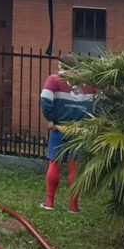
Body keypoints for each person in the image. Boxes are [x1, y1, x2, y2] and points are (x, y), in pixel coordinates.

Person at [39, 54, 96, 212]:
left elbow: (45, 100)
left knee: (54, 163)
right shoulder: (89, 83)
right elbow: (100, 103)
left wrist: (50, 120)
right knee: (75, 167)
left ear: (61, 66)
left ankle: (50, 202)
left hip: (60, 128)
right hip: (81, 131)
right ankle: (74, 206)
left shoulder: (54, 80)